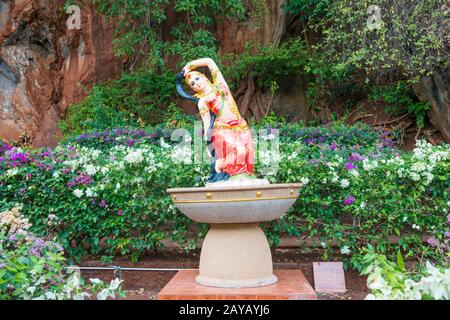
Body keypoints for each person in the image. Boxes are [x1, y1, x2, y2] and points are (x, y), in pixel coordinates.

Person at [176, 58, 255, 183]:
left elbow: (209, 61)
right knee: (241, 151)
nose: (196, 83)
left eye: (197, 78)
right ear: (193, 89)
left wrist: (189, 66)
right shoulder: (202, 102)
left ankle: (235, 173)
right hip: (223, 128)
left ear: (204, 77)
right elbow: (207, 124)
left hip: (240, 124)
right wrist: (209, 146)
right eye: (192, 84)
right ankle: (222, 166)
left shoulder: (220, 85)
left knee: (249, 157)